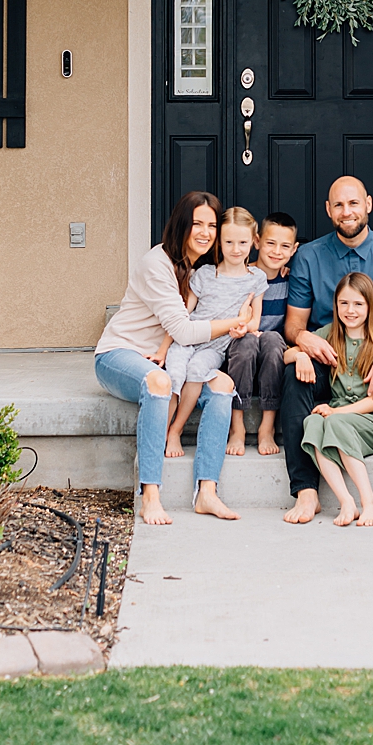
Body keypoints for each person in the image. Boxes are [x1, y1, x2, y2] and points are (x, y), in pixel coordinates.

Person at [280, 175, 373, 526]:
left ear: (368, 204)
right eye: (338, 205)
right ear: (328, 210)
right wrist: (305, 341)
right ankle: (306, 490)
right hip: (329, 358)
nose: (346, 212)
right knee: (293, 377)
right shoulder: (309, 256)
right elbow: (293, 326)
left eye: (353, 203)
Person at [94, 191, 251, 525]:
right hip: (121, 354)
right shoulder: (157, 264)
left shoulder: (205, 268)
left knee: (223, 385)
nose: (206, 232)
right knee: (159, 381)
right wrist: (235, 323)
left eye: (212, 225)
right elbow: (182, 330)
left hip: (172, 358)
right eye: (197, 224)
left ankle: (207, 491)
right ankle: (150, 494)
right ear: (181, 224)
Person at [161, 206, 269, 458]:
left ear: (253, 242)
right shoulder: (205, 274)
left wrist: (244, 326)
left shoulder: (256, 278)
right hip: (188, 339)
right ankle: (161, 433)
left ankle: (176, 430)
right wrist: (164, 348)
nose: (236, 249)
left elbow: (255, 321)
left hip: (215, 347)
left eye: (242, 242)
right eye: (228, 242)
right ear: (219, 242)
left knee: (196, 371)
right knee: (174, 375)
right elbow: (183, 315)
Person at [289, 272, 373, 527]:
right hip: (338, 416)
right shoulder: (330, 334)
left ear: (370, 306)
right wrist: (301, 356)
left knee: (333, 423)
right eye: (344, 303)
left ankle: (369, 502)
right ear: (336, 305)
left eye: (358, 304)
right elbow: (285, 355)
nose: (351, 310)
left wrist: (337, 413)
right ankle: (346, 500)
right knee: (312, 423)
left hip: (370, 420)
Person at [225, 211, 299, 457]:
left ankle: (267, 427)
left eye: (285, 246)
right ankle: (237, 427)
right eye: (270, 243)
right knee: (246, 342)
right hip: (240, 355)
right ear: (257, 242)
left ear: (293, 249)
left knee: (271, 338)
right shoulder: (241, 276)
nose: (277, 251)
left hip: (272, 358)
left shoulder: (291, 281)